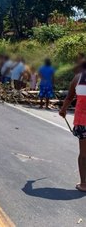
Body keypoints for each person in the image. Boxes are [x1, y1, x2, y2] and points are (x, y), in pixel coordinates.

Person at [59, 61, 86, 192]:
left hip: (82, 121)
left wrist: (63, 110)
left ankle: (84, 184)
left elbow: (69, 97)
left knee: (84, 153)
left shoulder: (78, 78)